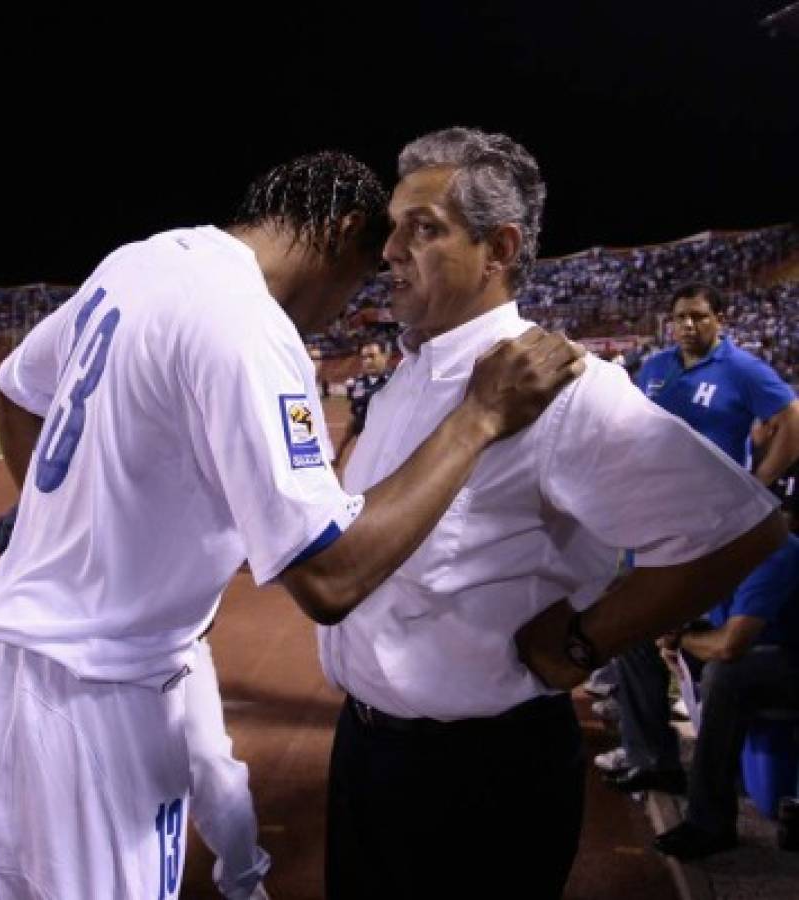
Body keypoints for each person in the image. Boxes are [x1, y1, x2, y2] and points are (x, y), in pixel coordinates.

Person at [0, 149, 585, 900]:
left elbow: (13, 392)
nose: (347, 306)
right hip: (101, 691)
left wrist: (71, 531)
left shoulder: (145, 258)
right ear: (342, 230)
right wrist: (477, 418)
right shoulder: (249, 325)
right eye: (360, 276)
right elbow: (330, 577)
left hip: (7, 660)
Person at [316, 127, 785, 900]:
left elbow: (740, 527)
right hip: (365, 750)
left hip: (475, 773)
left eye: (422, 229)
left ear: (497, 249)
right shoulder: (408, 374)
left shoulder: (556, 383)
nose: (389, 250)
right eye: (392, 226)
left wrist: (581, 640)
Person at [0, 505, 271, 899]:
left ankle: (243, 880)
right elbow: (8, 533)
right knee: (86, 806)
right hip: (86, 664)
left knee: (210, 762)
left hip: (170, 646)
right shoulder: (74, 480)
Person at [601, 282, 799, 796]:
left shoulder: (742, 369)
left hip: (713, 527)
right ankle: (652, 756)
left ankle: (716, 762)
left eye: (699, 317)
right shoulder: (656, 368)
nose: (688, 326)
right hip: (654, 519)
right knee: (628, 632)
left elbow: (791, 419)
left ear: (720, 320)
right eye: (681, 317)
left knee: (687, 633)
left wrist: (756, 487)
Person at [653, 524, 799, 860]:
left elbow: (731, 646)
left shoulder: (774, 550)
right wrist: (671, 633)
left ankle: (709, 822)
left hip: (788, 659)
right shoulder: (719, 549)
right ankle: (653, 760)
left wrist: (683, 641)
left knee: (726, 673)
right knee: (643, 639)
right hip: (764, 652)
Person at [332, 338, 392, 469]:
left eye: (372, 356)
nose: (367, 361)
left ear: (385, 356)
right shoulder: (357, 382)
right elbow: (354, 407)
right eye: (364, 358)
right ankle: (336, 459)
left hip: (383, 434)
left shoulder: (395, 381)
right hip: (361, 426)